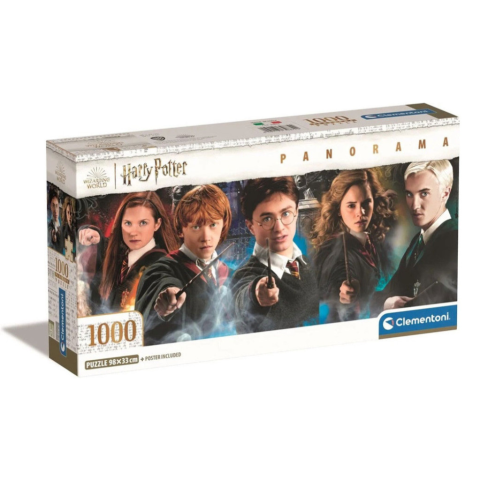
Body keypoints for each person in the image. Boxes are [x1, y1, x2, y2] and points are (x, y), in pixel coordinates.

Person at [135, 184, 233, 345]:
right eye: (196, 226)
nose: (206, 237)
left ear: (223, 225)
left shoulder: (230, 274)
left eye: (213, 225)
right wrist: (167, 297)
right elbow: (161, 284)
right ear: (181, 229)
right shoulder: (160, 271)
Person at [230, 176, 320, 333]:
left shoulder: (310, 265)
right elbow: (242, 302)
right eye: (267, 218)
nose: (279, 228)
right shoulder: (244, 275)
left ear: (297, 212)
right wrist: (256, 295)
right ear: (250, 226)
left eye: (286, 214)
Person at [371, 159, 458, 314]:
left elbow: (442, 299)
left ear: (445, 193)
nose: (414, 205)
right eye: (409, 194)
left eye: (424, 193)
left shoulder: (455, 239)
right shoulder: (417, 242)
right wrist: (387, 303)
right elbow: (389, 291)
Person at [311, 169, 395, 322]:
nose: (360, 212)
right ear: (338, 209)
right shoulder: (332, 250)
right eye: (351, 205)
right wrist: (344, 292)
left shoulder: (375, 242)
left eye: (366, 203)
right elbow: (332, 286)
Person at [78, 191, 179, 312]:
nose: (133, 232)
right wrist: (92, 233)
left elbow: (166, 280)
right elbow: (107, 245)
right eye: (128, 223)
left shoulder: (159, 264)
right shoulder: (120, 255)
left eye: (143, 223)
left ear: (157, 224)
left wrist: (171, 291)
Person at [47, 186, 62, 253]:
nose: (55, 210)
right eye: (53, 205)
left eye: (56, 206)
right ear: (51, 207)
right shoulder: (49, 225)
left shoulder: (63, 224)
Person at [61, 196, 76, 261]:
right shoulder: (63, 229)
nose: (70, 216)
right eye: (68, 212)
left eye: (71, 213)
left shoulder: (76, 229)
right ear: (65, 213)